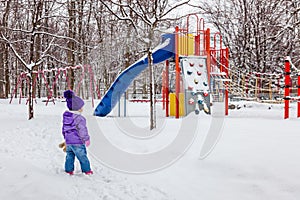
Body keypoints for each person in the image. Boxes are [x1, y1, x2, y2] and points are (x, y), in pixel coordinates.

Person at [62, 90, 93, 175]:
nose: (82, 109)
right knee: (83, 157)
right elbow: (82, 130)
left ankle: (69, 170)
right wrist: (86, 139)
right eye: (81, 107)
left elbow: (64, 129)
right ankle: (87, 171)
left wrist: (66, 138)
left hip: (69, 142)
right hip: (78, 142)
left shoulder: (66, 117)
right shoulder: (79, 118)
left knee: (69, 156)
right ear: (77, 108)